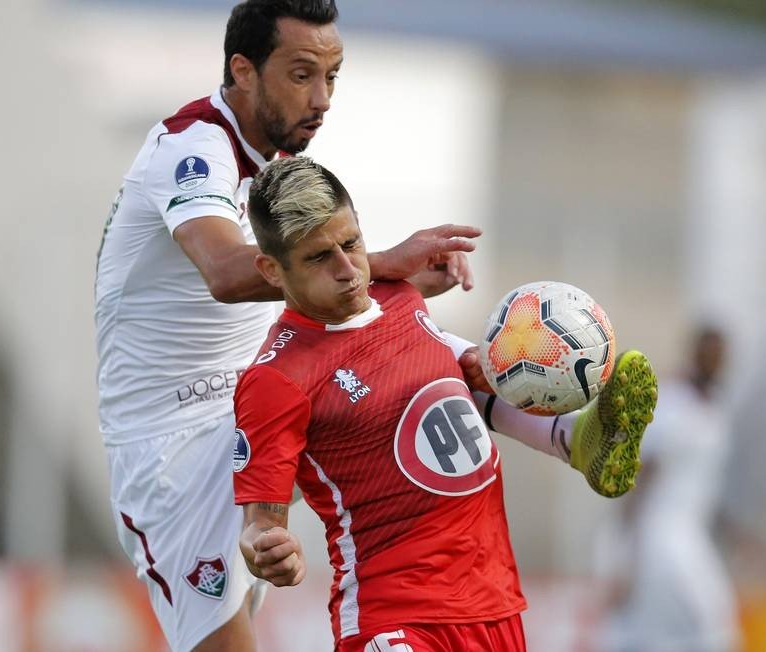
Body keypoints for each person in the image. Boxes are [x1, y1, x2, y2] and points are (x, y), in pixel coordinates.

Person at [93, 2, 480, 650]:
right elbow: (225, 272)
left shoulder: (273, 167)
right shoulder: (193, 148)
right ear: (243, 71)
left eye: (332, 76)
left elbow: (304, 276)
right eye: (302, 75)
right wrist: (382, 262)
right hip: (174, 453)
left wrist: (388, 279)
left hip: (258, 410)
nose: (321, 98)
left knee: (403, 345)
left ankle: (553, 421)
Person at [232, 156, 659, 651]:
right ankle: (569, 438)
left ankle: (569, 434)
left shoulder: (400, 299)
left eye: (351, 243)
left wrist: (482, 370)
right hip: (395, 619)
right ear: (272, 269)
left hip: (493, 604)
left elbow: (437, 395)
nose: (347, 270)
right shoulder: (277, 379)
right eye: (318, 258)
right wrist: (269, 549)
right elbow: (260, 523)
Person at [594, 326, 741, 652]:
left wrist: (736, 534)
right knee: (715, 625)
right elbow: (638, 478)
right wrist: (620, 554)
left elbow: (699, 485)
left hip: (690, 534)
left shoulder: (714, 407)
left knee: (654, 635)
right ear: (695, 353)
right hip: (660, 538)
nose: (715, 362)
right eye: (709, 354)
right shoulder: (672, 402)